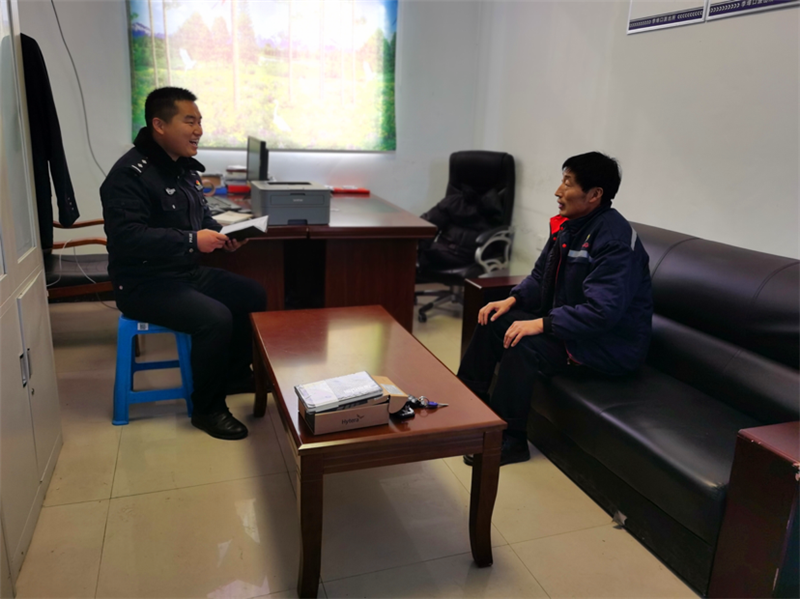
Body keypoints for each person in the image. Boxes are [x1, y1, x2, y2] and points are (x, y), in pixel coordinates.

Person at [457, 152, 653, 465]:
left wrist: (541, 324)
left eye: (568, 184)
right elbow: (540, 277)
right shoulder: (569, 227)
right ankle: (467, 407)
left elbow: (602, 312)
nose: (558, 191)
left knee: (524, 342)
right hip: (574, 329)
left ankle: (511, 440)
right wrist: (512, 300)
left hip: (607, 346)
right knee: (494, 319)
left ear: (594, 194)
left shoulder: (614, 241)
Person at [101, 87, 267, 440]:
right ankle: (208, 409)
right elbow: (127, 237)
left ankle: (235, 375)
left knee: (251, 294)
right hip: (143, 283)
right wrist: (193, 240)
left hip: (184, 272)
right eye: (189, 121)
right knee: (214, 318)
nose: (198, 130)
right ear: (159, 125)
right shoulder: (129, 175)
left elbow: (202, 219)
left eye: (200, 121)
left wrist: (223, 236)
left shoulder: (184, 170)